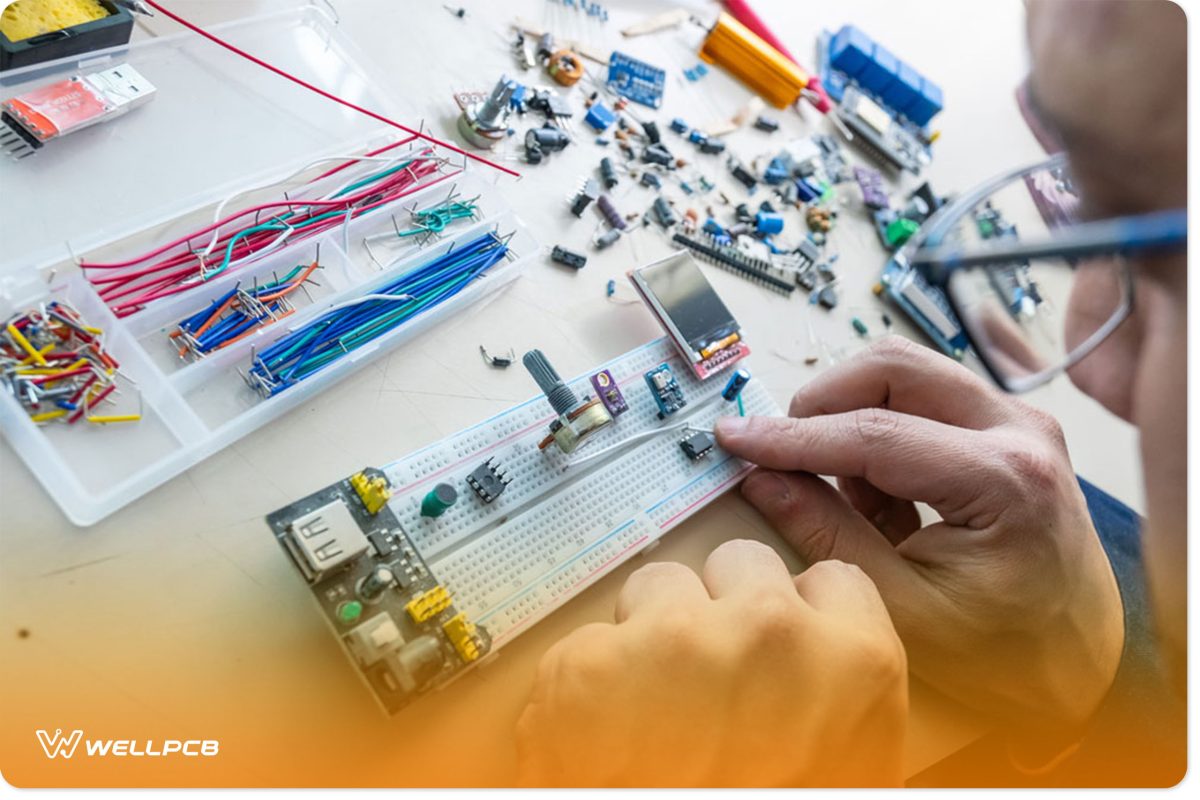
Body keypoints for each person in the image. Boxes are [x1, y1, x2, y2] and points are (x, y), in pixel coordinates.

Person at [513, 0, 1187, 787]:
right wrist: (1102, 674)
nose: (1091, 367)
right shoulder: (1105, 538)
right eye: (1099, 205)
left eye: (1177, 275)